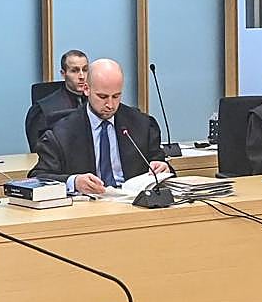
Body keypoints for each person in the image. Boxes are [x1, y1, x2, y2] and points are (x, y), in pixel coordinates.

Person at [29, 58, 168, 195]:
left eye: (116, 96)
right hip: (88, 205)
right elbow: (38, 178)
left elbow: (162, 166)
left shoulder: (142, 125)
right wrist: (74, 182)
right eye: (102, 97)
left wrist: (162, 168)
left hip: (133, 202)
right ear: (86, 89)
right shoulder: (61, 133)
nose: (110, 105)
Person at [24, 49, 89, 151]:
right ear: (63, 74)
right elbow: (39, 150)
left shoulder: (96, 102)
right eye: (75, 71)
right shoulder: (43, 110)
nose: (82, 76)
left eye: (85, 70)